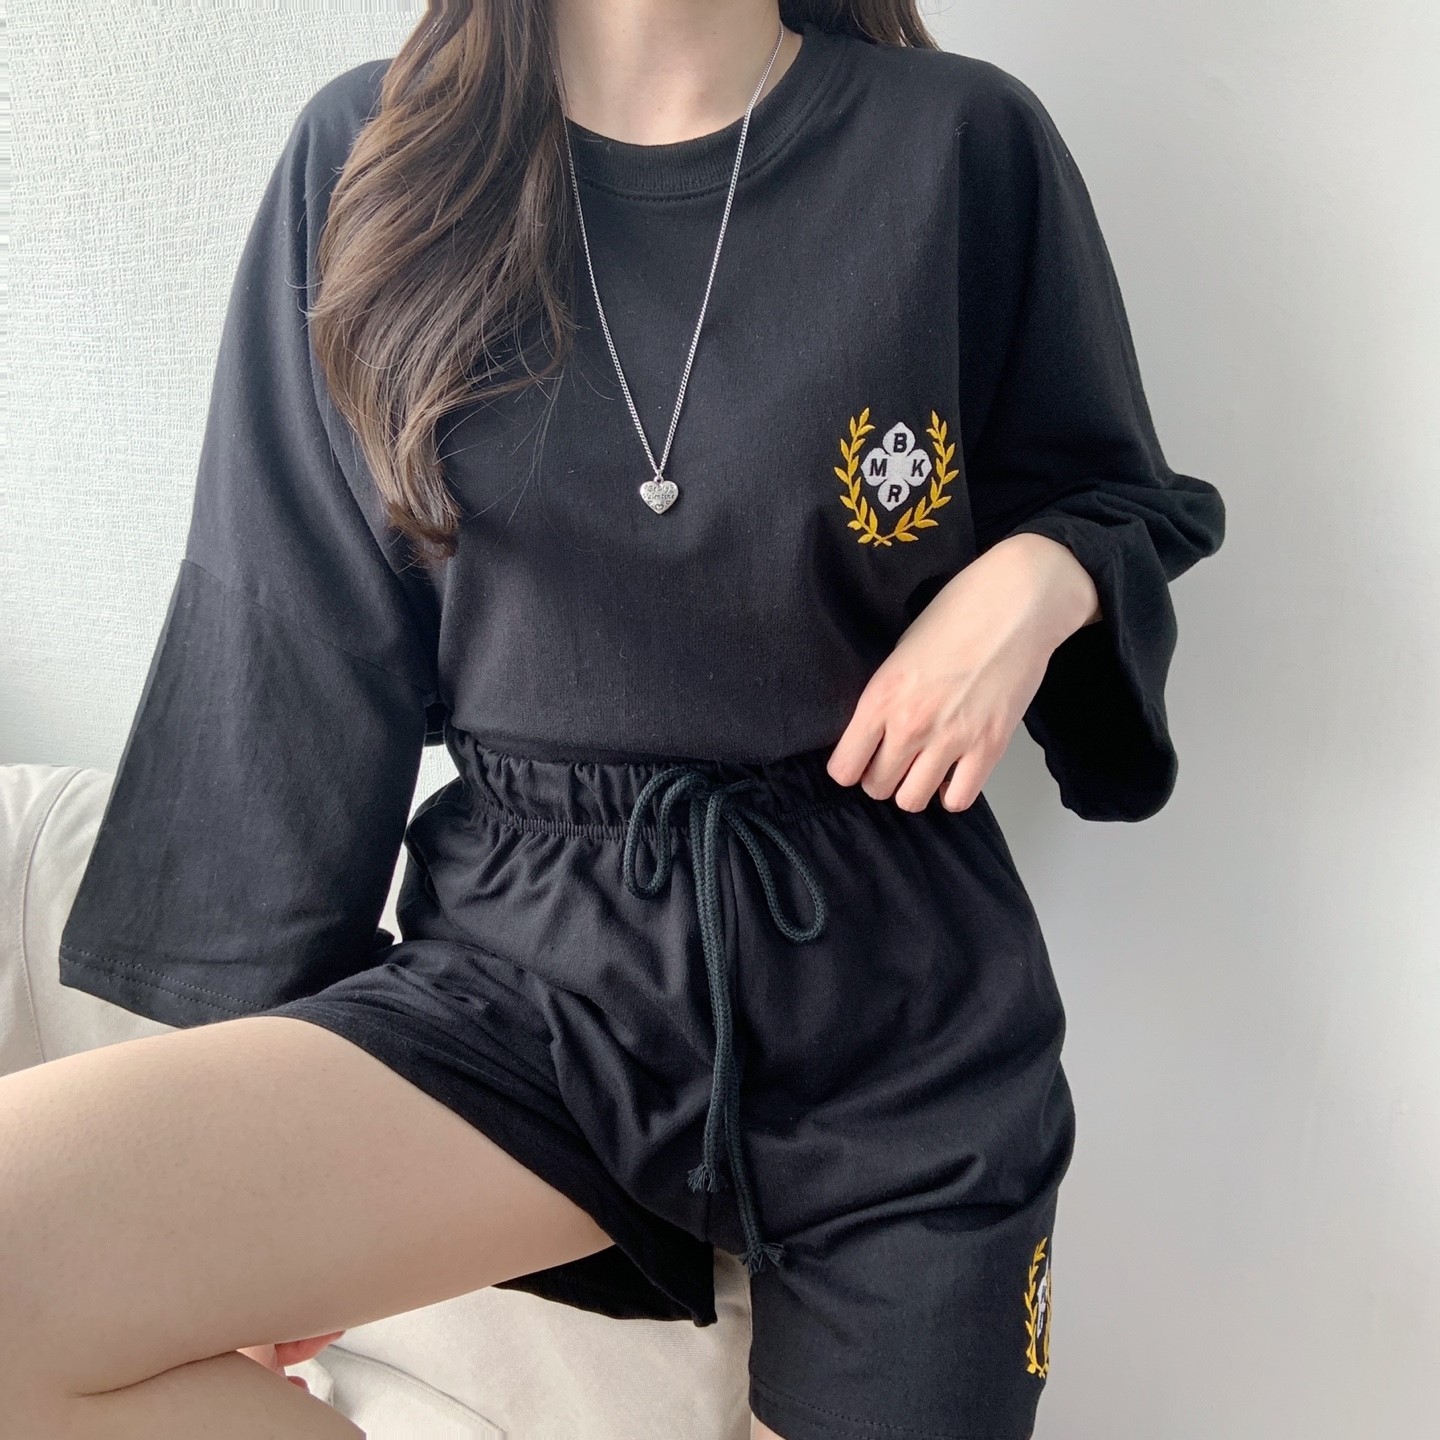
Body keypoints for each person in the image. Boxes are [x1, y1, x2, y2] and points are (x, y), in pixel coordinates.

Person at [0, 2, 1226, 1437]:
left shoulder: (957, 141)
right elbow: (289, 633)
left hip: (895, 997)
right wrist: (273, 1181)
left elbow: (1117, 490)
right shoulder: (373, 152)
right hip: (530, 972)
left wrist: (1040, 575)